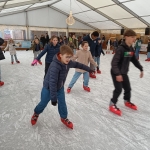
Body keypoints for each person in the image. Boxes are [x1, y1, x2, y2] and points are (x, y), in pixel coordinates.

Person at [31, 45, 95, 129]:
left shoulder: (68, 63)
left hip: (60, 87)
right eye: (66, 57)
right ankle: (36, 113)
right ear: (60, 55)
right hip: (48, 88)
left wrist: (88, 69)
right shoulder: (55, 66)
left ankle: (64, 117)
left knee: (62, 104)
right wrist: (53, 98)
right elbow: (52, 83)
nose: (68, 59)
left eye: (70, 57)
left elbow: (78, 64)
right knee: (43, 103)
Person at [109, 29, 144, 116]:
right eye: (132, 37)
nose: (134, 39)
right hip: (116, 72)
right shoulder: (121, 49)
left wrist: (141, 68)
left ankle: (127, 101)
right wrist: (117, 74)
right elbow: (114, 63)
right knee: (119, 89)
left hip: (123, 72)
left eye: (135, 37)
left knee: (128, 88)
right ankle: (112, 104)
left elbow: (134, 60)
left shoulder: (130, 49)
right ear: (126, 37)